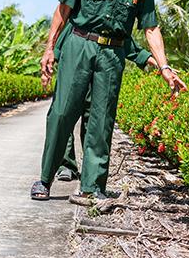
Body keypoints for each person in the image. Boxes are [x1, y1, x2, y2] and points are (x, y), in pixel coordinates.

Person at [31, 0, 186, 201]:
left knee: (101, 119)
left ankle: (92, 187)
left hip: (113, 54)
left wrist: (164, 66)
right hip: (79, 45)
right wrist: (49, 48)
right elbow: (64, 10)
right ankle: (44, 179)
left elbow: (151, 28)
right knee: (62, 113)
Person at [52, 25, 156, 182]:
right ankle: (66, 165)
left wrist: (149, 59)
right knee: (65, 116)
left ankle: (90, 169)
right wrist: (54, 54)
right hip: (74, 62)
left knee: (93, 118)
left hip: (99, 65)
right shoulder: (75, 17)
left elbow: (121, 39)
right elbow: (63, 31)